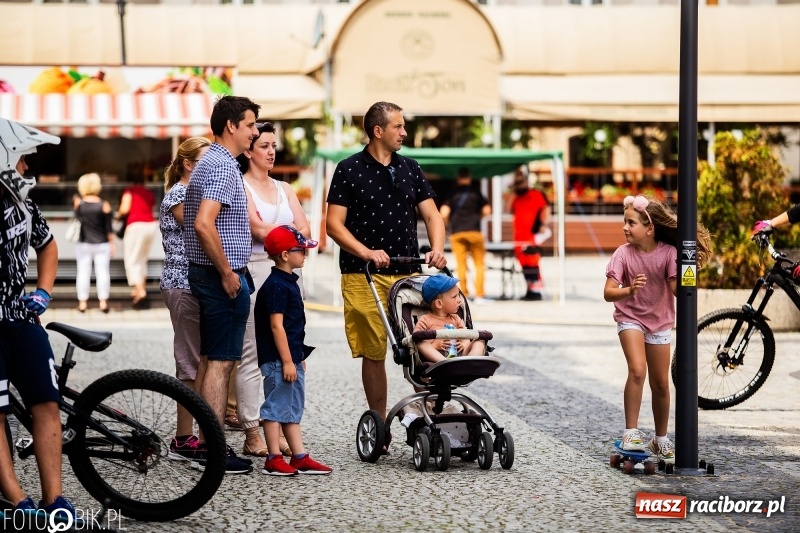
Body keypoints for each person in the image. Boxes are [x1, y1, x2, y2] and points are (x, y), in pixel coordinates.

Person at [326, 101, 447, 433]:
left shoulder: (410, 167)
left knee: (421, 340)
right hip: (361, 273)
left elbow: (432, 215)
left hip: (407, 271)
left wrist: (437, 249)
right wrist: (366, 251)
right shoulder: (348, 169)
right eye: (398, 126)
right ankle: (379, 422)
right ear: (378, 131)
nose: (404, 132)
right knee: (374, 349)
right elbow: (334, 226)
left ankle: (429, 412)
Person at [0, 118, 81, 522]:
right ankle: (18, 501)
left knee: (47, 404)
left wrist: (44, 292)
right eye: (22, 160)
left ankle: (55, 501)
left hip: (20, 317)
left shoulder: (23, 203)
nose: (28, 168)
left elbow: (48, 247)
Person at [183, 95, 260, 475]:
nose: (255, 132)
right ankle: (213, 449)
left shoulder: (212, 161)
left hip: (211, 273)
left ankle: (206, 445)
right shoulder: (222, 166)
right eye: (249, 125)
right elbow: (202, 222)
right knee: (221, 361)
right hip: (219, 276)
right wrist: (229, 273)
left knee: (216, 359)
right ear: (231, 125)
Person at [603, 194, 711, 461]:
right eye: (624, 222)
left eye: (631, 223)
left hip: (659, 322)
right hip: (630, 318)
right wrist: (629, 289)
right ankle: (631, 432)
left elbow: (677, 290)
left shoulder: (668, 253)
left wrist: (690, 271)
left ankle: (660, 439)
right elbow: (608, 293)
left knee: (661, 383)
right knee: (637, 370)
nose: (625, 227)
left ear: (650, 228)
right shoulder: (622, 254)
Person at [235, 121, 310, 458]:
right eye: (264, 145)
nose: (271, 151)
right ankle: (253, 428)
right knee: (255, 351)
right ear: (249, 150)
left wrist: (290, 236)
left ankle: (279, 426)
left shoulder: (284, 188)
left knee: (290, 346)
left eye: (273, 146)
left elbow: (304, 228)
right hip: (257, 269)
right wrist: (290, 233)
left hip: (288, 269)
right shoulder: (241, 185)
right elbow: (256, 227)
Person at [255, 226, 332, 476]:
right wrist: (287, 361)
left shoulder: (287, 282)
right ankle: (273, 457)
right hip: (279, 360)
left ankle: (299, 456)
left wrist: (297, 358)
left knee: (292, 407)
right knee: (275, 407)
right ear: (286, 255)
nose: (306, 254)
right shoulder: (276, 285)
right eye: (301, 250)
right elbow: (277, 326)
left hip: (290, 357)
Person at [159, 136, 211, 461]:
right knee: (189, 363)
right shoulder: (180, 193)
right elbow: (198, 230)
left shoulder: (192, 192)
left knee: (199, 360)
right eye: (205, 161)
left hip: (192, 283)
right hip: (183, 282)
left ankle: (197, 435)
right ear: (189, 164)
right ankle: (183, 438)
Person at [440, 167, 491, 303]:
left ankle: (465, 295)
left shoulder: (452, 194)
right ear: (469, 178)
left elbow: (444, 213)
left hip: (457, 232)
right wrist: (477, 217)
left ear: (458, 178)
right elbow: (487, 210)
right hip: (474, 231)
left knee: (461, 264)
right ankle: (480, 295)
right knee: (479, 264)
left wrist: (447, 225)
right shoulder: (476, 193)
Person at [414, 274, 486, 363]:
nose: (459, 300)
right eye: (454, 297)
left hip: (459, 356)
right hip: (436, 358)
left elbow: (466, 336)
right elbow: (415, 339)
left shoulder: (456, 318)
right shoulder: (425, 319)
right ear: (439, 304)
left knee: (479, 341)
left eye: (459, 295)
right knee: (421, 343)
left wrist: (464, 344)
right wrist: (434, 345)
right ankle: (445, 363)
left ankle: (472, 362)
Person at [73, 172, 114, 313]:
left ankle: (83, 303)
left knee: (83, 273)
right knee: (103, 273)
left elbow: (77, 220)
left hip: (84, 243)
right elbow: (109, 228)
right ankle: (103, 302)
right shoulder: (104, 205)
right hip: (102, 243)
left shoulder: (79, 203)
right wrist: (112, 243)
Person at [508, 169, 552, 301]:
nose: (519, 185)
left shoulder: (536, 194)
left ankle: (536, 291)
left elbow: (546, 209)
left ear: (526, 181)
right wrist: (512, 191)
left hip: (531, 236)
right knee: (524, 265)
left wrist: (543, 224)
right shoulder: (516, 197)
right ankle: (529, 290)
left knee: (533, 264)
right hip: (519, 237)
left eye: (521, 182)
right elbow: (508, 208)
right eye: (517, 182)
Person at [116, 174, 158, 308]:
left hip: (136, 226)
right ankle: (139, 289)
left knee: (132, 260)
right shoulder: (149, 193)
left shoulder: (130, 191)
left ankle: (141, 292)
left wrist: (118, 215)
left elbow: (125, 208)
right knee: (142, 259)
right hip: (151, 226)